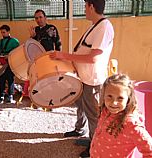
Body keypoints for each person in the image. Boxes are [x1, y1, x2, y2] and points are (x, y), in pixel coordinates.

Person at [50, 0, 114, 157]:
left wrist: (63, 55)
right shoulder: (95, 25)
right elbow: (84, 51)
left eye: (85, 6)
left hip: (93, 80)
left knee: (93, 114)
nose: (84, 9)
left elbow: (93, 58)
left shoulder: (104, 27)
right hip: (83, 77)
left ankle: (94, 147)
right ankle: (80, 130)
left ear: (91, 6)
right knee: (80, 106)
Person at [90, 74, 152, 157]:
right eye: (109, 96)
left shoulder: (131, 124)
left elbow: (149, 150)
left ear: (128, 99)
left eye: (120, 98)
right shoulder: (105, 110)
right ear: (103, 95)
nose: (113, 103)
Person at [0, 25, 19, 105]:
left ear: (8, 32)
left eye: (4, 32)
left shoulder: (15, 41)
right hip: (1, 63)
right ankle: (1, 96)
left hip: (10, 63)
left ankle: (10, 96)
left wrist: (9, 56)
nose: (2, 34)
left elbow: (17, 53)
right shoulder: (0, 41)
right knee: (1, 79)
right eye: (1, 32)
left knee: (10, 79)